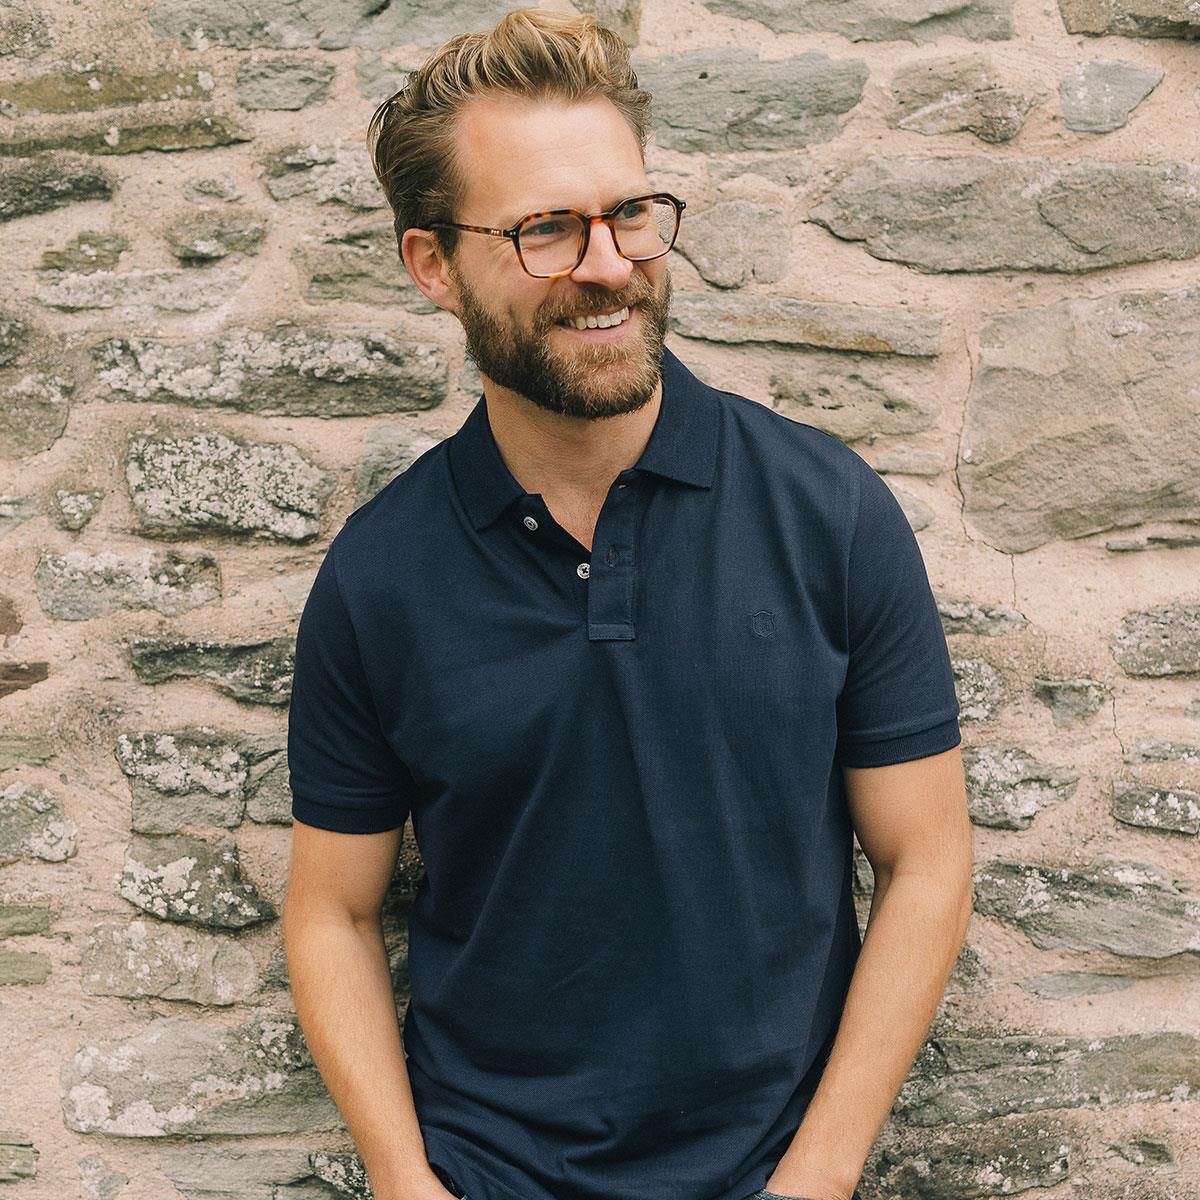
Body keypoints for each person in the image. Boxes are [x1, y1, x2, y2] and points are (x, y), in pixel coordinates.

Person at [282, 10, 973, 1200]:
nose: (607, 264)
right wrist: (403, 1180)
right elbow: (333, 914)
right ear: (433, 266)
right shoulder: (378, 575)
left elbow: (928, 859)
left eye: (630, 213)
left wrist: (816, 1179)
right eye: (546, 228)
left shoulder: (827, 511)